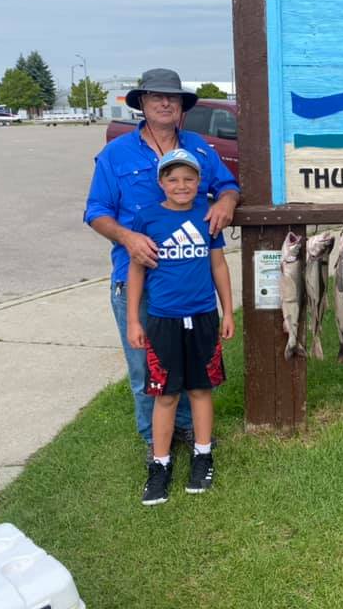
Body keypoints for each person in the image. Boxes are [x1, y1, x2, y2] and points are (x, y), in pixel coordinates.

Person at [84, 68, 240, 460]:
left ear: (182, 107)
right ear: (142, 104)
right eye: (156, 97)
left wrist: (226, 201)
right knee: (147, 369)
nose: (165, 103)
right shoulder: (116, 154)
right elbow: (96, 210)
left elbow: (227, 185)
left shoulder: (200, 148)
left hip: (190, 281)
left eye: (172, 97)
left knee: (189, 365)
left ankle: (188, 431)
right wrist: (127, 237)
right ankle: (154, 441)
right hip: (136, 278)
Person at [127, 148, 235, 505]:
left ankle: (203, 454)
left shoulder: (207, 217)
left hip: (203, 316)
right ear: (161, 183)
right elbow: (136, 271)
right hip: (162, 319)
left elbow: (218, 266)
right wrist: (133, 320)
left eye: (189, 178)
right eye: (173, 179)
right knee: (167, 394)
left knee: (201, 389)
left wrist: (228, 312)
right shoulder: (147, 219)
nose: (181, 185)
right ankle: (160, 464)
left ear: (199, 182)